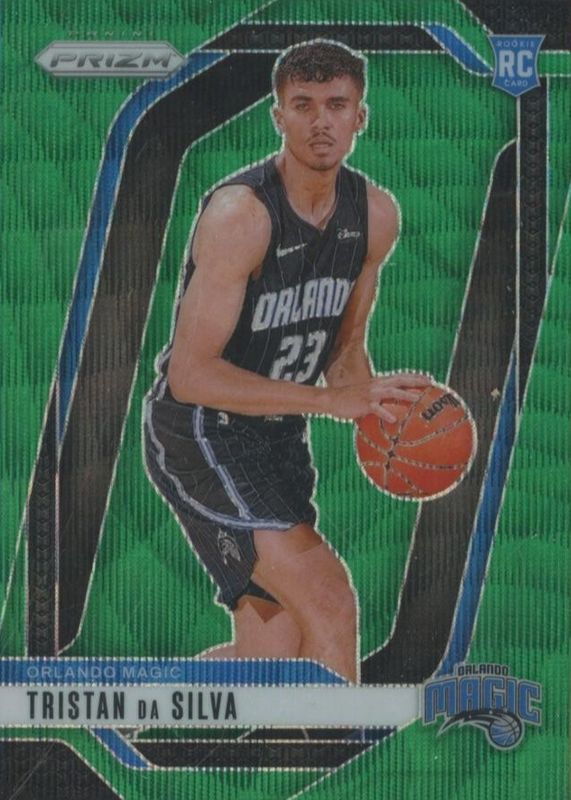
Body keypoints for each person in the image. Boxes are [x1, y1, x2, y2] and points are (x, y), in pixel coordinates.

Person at [143, 40, 429, 683]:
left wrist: (384, 418)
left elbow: (344, 352)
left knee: (271, 660)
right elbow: (190, 375)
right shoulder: (241, 215)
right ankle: (346, 752)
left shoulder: (374, 215)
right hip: (200, 432)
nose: (321, 121)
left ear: (360, 116)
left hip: (277, 438)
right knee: (329, 599)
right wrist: (328, 402)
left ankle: (136, 709)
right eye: (303, 105)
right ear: (278, 116)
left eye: (337, 105)